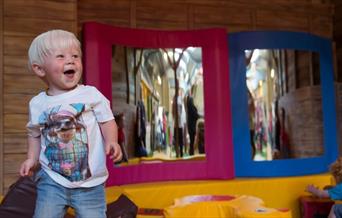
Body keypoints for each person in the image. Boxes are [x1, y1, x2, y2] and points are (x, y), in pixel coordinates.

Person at [19, 29, 123, 218]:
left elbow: (107, 120)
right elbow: (34, 133)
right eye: (61, 56)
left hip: (90, 183)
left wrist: (112, 140)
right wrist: (31, 159)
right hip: (52, 180)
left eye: (75, 56)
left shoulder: (90, 95)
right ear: (40, 69)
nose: (71, 60)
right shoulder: (38, 104)